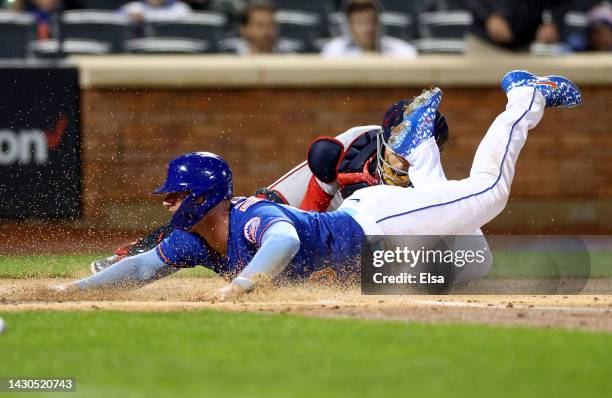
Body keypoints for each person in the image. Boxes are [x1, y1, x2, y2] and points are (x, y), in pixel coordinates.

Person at [57, 70, 582, 301]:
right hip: (369, 265)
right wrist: (72, 291)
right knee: (475, 261)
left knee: (489, 194)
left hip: (374, 226)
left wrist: (243, 285)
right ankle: (420, 149)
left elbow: (282, 241)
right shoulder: (198, 236)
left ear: (201, 197)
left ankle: (524, 98)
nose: (168, 203)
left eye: (175, 194)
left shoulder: (248, 217)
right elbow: (145, 267)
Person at [89, 103, 451, 274]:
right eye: (399, 144)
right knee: (257, 206)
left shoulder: (429, 179)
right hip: (331, 189)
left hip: (368, 216)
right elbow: (311, 207)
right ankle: (132, 253)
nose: (404, 155)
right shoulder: (355, 143)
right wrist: (321, 194)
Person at [321, 0, 417, 57]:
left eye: (371, 21)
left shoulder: (402, 50)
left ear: (379, 23)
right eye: (360, 23)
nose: (367, 28)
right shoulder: (332, 51)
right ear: (349, 26)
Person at [120, 0, 191, 23]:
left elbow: (180, 17)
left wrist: (144, 16)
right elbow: (114, 18)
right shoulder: (135, 6)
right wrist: (130, 16)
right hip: (144, 44)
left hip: (174, 41)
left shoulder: (179, 6)